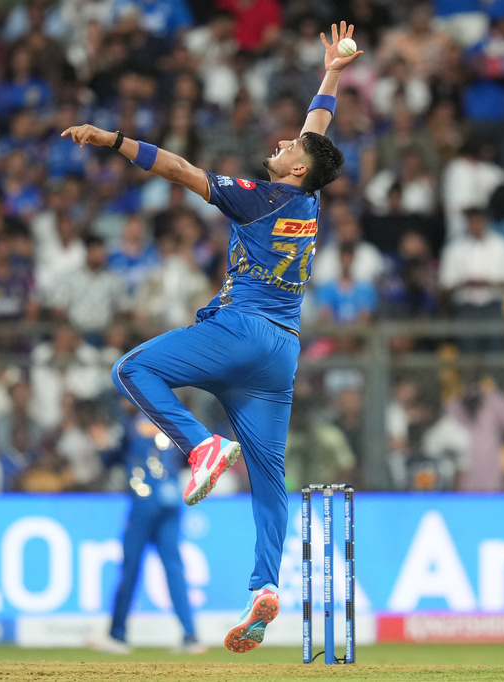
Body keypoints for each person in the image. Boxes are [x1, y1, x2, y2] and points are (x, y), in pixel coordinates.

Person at [62, 21, 362, 654]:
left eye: (289, 145)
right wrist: (333, 71)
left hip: (241, 331)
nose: (282, 143)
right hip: (282, 352)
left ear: (297, 168)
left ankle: (200, 448)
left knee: (130, 370)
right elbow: (317, 128)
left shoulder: (260, 198)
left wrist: (109, 137)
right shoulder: (307, 203)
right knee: (269, 477)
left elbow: (177, 168)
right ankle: (263, 589)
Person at [87, 404, 205, 655]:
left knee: (130, 566)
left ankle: (117, 634)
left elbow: (113, 459)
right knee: (173, 567)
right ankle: (190, 635)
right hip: (172, 499)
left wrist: (100, 445)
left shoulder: (131, 425)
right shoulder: (171, 420)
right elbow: (189, 457)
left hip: (144, 502)